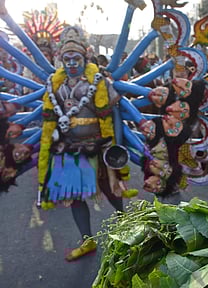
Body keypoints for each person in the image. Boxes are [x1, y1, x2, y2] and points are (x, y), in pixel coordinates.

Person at [37, 26, 132, 261]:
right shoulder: (54, 84)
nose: (71, 63)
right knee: (75, 196)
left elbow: (113, 116)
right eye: (66, 59)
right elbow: (49, 121)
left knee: (111, 189)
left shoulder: (99, 82)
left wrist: (113, 146)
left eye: (76, 58)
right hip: (68, 147)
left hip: (98, 145)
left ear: (85, 58)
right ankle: (87, 240)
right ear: (60, 60)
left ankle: (131, 229)